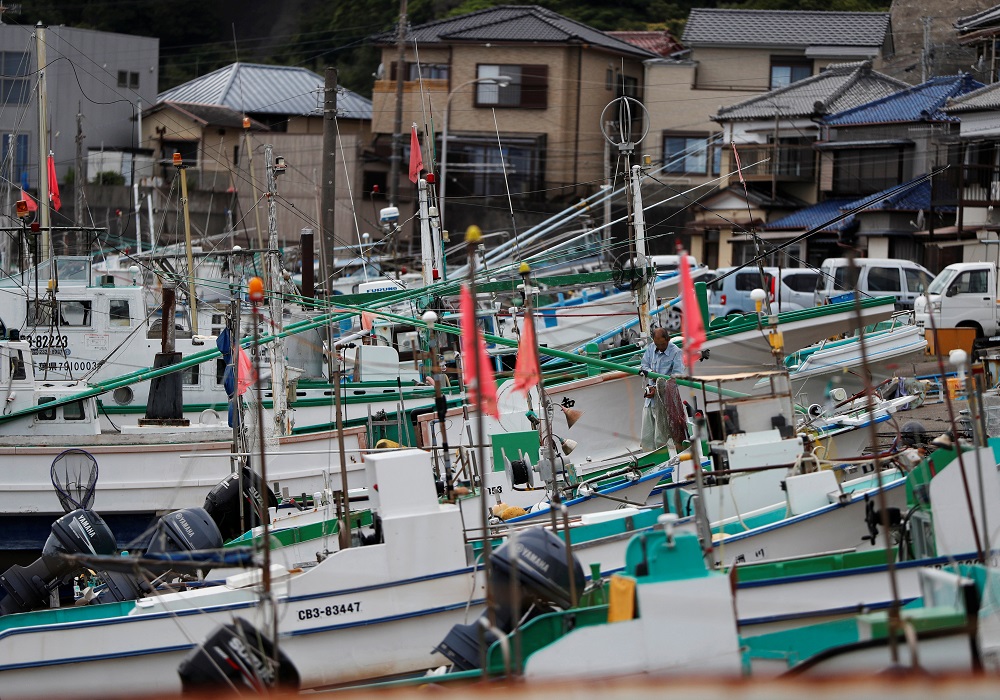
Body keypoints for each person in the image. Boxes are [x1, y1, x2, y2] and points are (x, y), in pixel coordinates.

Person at [639, 327, 683, 452]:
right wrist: (651, 373)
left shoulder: (676, 352)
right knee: (646, 436)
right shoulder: (652, 348)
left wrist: (658, 387)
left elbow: (677, 377)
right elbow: (644, 364)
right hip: (650, 400)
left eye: (662, 344)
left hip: (665, 401)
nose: (659, 347)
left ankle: (664, 458)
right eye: (657, 344)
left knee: (661, 437)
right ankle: (649, 458)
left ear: (668, 340)